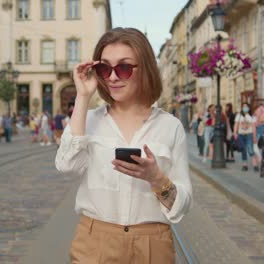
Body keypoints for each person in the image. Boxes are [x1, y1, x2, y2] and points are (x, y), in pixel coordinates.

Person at [55, 27, 192, 263]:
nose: (113, 77)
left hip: (152, 244)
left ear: (145, 70)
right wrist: (83, 97)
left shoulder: (170, 127)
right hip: (95, 242)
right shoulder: (87, 120)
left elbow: (182, 205)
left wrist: (156, 178)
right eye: (104, 68)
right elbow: (66, 166)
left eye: (124, 68)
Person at [234, 103, 259, 172]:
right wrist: (235, 133)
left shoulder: (252, 116)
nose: (245, 108)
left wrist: (254, 136)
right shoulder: (239, 115)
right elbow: (236, 125)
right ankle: (245, 165)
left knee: (250, 149)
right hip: (240, 135)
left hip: (249, 134)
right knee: (243, 150)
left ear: (249, 108)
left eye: (246, 106)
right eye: (243, 106)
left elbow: (254, 127)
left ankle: (255, 165)